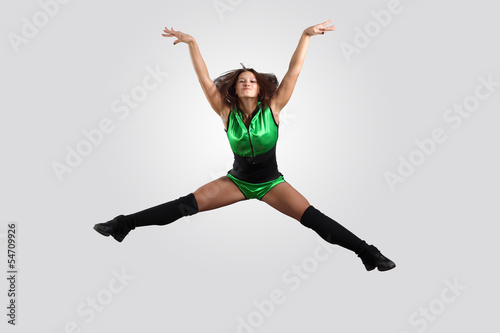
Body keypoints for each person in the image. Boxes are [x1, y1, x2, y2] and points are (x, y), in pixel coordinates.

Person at [93, 19, 396, 272]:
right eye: (241, 81)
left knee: (314, 219)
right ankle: (123, 224)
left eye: (251, 79)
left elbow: (294, 71)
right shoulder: (226, 112)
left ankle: (368, 253)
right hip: (237, 181)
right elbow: (203, 79)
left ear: (260, 86)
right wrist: (192, 43)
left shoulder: (274, 107)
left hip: (270, 183)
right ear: (235, 89)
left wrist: (306, 36)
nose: (246, 82)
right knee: (184, 205)